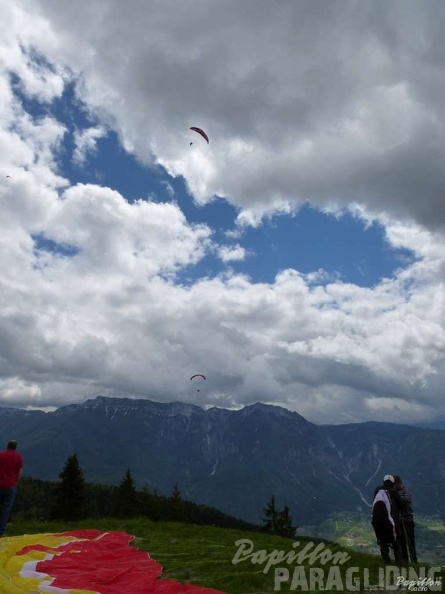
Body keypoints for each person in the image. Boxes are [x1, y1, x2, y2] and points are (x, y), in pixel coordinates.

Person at [371, 474, 402, 564]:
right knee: (396, 542)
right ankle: (399, 563)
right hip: (390, 521)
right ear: (392, 483)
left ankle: (386, 562)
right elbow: (400, 505)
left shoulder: (378, 490)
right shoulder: (393, 491)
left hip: (376, 520)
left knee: (382, 541)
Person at [0, 440, 23, 536]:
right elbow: (20, 472)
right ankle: (1, 531)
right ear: (15, 447)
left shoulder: (1, 455)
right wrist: (16, 483)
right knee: (5, 509)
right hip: (10, 486)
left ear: (7, 446)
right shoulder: (18, 457)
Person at [393, 475, 417, 563]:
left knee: (410, 542)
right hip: (399, 522)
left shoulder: (405, 492)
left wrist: (395, 497)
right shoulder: (395, 492)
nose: (394, 487)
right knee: (402, 542)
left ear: (398, 483)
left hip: (408, 521)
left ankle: (414, 560)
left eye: (395, 485)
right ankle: (405, 560)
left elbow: (406, 499)